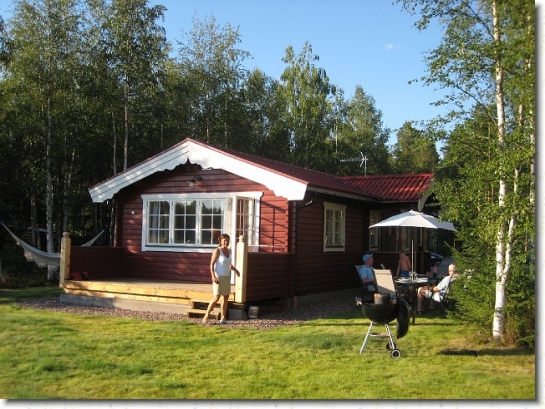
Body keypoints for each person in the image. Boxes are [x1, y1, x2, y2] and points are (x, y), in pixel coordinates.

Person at [202, 234, 240, 324]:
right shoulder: (217, 250)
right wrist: (213, 276)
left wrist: (236, 270)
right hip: (218, 276)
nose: (226, 242)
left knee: (226, 297)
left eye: (228, 241)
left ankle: (223, 318)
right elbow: (212, 264)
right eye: (224, 241)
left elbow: (228, 265)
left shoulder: (229, 251)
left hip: (227, 277)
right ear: (220, 241)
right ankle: (206, 316)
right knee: (216, 297)